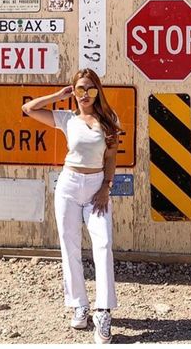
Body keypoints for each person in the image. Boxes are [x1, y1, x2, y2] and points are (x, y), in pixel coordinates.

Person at [22, 69, 124, 344]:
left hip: (96, 188)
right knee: (70, 246)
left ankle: (103, 312)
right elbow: (28, 108)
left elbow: (111, 157)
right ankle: (79, 305)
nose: (85, 94)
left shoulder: (109, 121)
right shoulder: (67, 119)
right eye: (80, 88)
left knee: (102, 245)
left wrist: (106, 187)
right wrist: (59, 95)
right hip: (68, 186)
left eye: (90, 89)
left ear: (98, 91)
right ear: (74, 90)